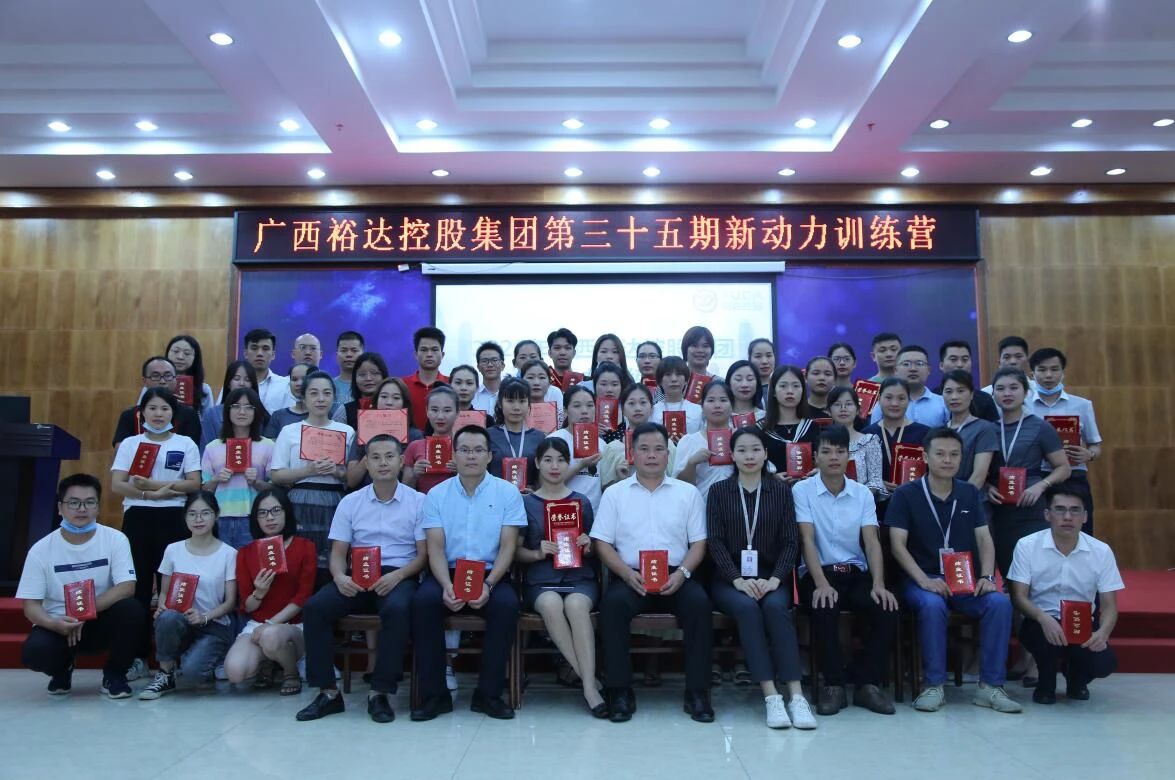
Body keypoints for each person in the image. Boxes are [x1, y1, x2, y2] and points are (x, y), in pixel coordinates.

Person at [886, 428, 1021, 713]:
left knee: (999, 603)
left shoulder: (969, 493)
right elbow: (898, 545)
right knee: (932, 605)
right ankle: (933, 686)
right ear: (925, 457)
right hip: (922, 578)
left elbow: (984, 538)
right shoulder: (906, 494)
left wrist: (987, 576)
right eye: (940, 454)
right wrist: (924, 581)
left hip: (964, 579)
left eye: (954, 454)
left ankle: (990, 687)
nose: (947, 460)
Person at [296, 436, 428, 722]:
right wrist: (339, 577)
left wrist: (399, 575)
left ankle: (380, 692)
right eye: (376, 457)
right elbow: (338, 552)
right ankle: (328, 692)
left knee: (398, 609)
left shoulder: (419, 502)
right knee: (315, 608)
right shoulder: (351, 502)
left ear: (401, 461)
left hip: (398, 575)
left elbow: (423, 556)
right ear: (366, 463)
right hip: (355, 575)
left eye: (389, 456)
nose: (383, 463)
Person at [592, 422, 714, 723]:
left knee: (699, 605)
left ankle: (697, 693)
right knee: (613, 606)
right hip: (631, 576)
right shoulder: (615, 494)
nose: (651, 455)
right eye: (644, 449)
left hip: (677, 575)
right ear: (632, 454)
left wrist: (682, 573)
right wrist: (625, 573)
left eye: (659, 449)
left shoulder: (687, 493)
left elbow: (699, 543)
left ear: (667, 455)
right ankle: (619, 691)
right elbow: (602, 543)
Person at [411, 425, 527, 721]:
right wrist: (446, 585)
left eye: (478, 450)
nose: (471, 456)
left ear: (489, 456)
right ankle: (435, 696)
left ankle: (488, 695)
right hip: (447, 572)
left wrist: (489, 584)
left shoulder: (508, 492)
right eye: (464, 450)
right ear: (454, 455)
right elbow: (435, 548)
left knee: (506, 605)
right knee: (423, 603)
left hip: (491, 573)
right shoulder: (436, 494)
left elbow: (508, 547)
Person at [706, 428, 818, 729]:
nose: (749, 456)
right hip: (729, 579)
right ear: (732, 455)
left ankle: (797, 696)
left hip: (771, 577)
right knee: (746, 608)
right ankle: (771, 697)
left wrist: (776, 579)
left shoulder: (780, 491)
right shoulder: (719, 492)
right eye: (742, 450)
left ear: (766, 453)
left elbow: (791, 542)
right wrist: (737, 579)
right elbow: (715, 542)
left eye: (756, 449)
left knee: (776, 608)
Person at [794, 424, 899, 716]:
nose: (833, 457)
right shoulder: (802, 490)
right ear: (815, 457)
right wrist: (821, 583)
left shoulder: (862, 493)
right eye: (826, 452)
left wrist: (879, 584)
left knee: (886, 606)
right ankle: (834, 685)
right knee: (824, 604)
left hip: (855, 572)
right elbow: (806, 539)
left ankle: (867, 684)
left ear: (848, 456)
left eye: (840, 451)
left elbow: (872, 542)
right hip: (818, 572)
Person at [17, 474, 143, 699]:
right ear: (60, 508)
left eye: (89, 502)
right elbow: (31, 606)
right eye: (74, 502)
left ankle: (114, 675)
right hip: (60, 624)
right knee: (35, 653)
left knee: (131, 609)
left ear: (98, 507)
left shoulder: (115, 539)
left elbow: (126, 587)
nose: (82, 509)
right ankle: (62, 669)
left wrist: (86, 612)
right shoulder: (40, 550)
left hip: (100, 619)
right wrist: (54, 624)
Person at [111, 387, 202, 675]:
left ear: (173, 413)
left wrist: (154, 487)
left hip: (174, 517)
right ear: (142, 413)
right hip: (138, 517)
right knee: (137, 589)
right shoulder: (131, 443)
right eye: (152, 408)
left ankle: (174, 656)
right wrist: (149, 496)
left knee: (175, 587)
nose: (158, 414)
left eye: (164, 408)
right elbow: (117, 484)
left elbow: (194, 483)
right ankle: (137, 656)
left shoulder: (185, 443)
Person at [1008, 486, 1122, 705]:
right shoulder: (1027, 546)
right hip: (1041, 620)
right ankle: (1046, 682)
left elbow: (1109, 606)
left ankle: (1076, 678)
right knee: (1045, 641)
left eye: (1075, 510)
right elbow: (1019, 597)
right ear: (1047, 514)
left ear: (1085, 516)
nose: (1067, 517)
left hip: (1082, 624)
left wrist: (1103, 633)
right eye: (1060, 510)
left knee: (1104, 663)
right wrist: (1042, 618)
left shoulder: (1101, 551)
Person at [515, 438, 604, 716]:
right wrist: (537, 553)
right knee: (551, 603)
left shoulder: (581, 501)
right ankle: (590, 685)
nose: (555, 466)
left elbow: (595, 550)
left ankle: (587, 683)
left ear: (568, 464)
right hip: (541, 580)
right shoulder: (526, 503)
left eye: (561, 460)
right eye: (548, 460)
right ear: (538, 463)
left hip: (579, 578)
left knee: (576, 605)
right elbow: (515, 552)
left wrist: (588, 545)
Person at [137, 492, 237, 699]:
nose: (198, 519)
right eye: (192, 514)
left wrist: (204, 617)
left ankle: (209, 659)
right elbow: (165, 592)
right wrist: (163, 607)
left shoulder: (229, 554)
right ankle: (165, 673)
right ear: (185, 517)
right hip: (181, 620)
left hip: (214, 625)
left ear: (216, 515)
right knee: (167, 617)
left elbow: (230, 602)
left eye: (205, 513)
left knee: (193, 674)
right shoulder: (173, 550)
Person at [224, 489, 316, 695]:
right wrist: (259, 592)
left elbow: (303, 597)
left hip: (294, 625)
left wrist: (271, 624)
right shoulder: (245, 553)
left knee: (271, 635)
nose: (270, 517)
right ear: (255, 518)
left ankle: (290, 672)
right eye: (263, 513)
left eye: (276, 510)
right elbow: (247, 606)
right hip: (258, 625)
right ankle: (268, 661)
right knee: (235, 672)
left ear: (286, 513)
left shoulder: (305, 547)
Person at [987, 368, 1071, 578]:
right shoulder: (987, 429)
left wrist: (1041, 486)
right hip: (998, 507)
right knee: (1007, 568)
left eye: (1014, 388)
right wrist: (987, 487)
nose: (1007, 393)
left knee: (1034, 569)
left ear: (1026, 392)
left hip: (1030, 505)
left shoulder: (1040, 427)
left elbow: (1064, 468)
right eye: (1000, 389)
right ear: (993, 394)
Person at [270, 370, 355, 574]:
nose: (321, 399)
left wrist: (337, 472)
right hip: (300, 499)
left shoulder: (346, 431)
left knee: (331, 558)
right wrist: (307, 470)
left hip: (335, 499)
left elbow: (352, 476)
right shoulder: (289, 431)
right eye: (314, 393)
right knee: (298, 560)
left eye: (326, 393)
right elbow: (276, 475)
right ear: (304, 397)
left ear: (334, 397)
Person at [1027, 347, 1103, 534]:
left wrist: (1090, 454)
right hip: (1037, 476)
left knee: (1080, 531)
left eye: (1054, 369)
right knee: (1038, 533)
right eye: (1042, 369)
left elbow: (1095, 445)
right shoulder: (1024, 406)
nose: (1048, 375)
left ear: (1063, 373)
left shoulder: (1082, 405)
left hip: (1074, 476)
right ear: (1032, 374)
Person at [201, 387, 275, 549]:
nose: (242, 412)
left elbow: (275, 489)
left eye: (249, 407)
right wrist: (216, 479)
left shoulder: (268, 446)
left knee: (250, 563)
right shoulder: (212, 447)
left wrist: (257, 482)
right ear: (227, 411)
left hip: (254, 517)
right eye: (236, 406)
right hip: (219, 517)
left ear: (256, 412)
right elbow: (204, 489)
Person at [344, 376, 423, 491]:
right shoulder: (363, 431)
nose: (389, 402)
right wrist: (372, 452)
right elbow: (351, 481)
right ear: (376, 401)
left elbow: (414, 480)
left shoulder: (415, 435)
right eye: (384, 397)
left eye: (396, 398)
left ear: (404, 403)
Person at [861, 378, 931, 496]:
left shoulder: (925, 433)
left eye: (901, 398)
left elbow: (932, 472)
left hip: (914, 499)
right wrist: (876, 484)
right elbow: (860, 475)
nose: (894, 403)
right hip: (875, 503)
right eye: (888, 398)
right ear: (879, 399)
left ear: (908, 400)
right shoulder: (866, 434)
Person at [113, 356, 202, 447]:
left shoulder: (189, 414)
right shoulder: (130, 415)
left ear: (175, 380)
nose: (162, 381)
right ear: (144, 381)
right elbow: (120, 450)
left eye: (168, 376)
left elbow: (192, 450)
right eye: (155, 376)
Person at [600, 382, 676, 487]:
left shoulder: (667, 445)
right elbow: (605, 489)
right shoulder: (612, 449)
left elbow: (676, 482)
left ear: (652, 408)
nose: (638, 408)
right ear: (623, 410)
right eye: (631, 403)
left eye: (643, 402)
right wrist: (620, 479)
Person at [672, 380, 736, 500]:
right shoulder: (688, 441)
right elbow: (679, 486)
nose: (717, 405)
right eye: (711, 400)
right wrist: (692, 463)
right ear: (702, 406)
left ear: (732, 405)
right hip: (701, 506)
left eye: (723, 400)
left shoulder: (743, 438)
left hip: (738, 506)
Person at [549, 384, 605, 512]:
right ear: (565, 411)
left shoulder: (602, 444)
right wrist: (581, 465)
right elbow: (549, 483)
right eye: (577, 406)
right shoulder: (554, 441)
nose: (584, 411)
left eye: (590, 405)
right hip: (563, 513)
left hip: (595, 514)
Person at [941, 370, 999, 491]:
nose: (954, 397)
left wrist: (957, 499)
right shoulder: (940, 430)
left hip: (971, 496)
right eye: (948, 391)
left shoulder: (984, 428)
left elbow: (979, 476)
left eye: (960, 391)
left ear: (972, 394)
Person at [762, 365, 820, 479]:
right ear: (773, 391)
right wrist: (772, 478)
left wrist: (818, 471)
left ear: (803, 390)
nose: (790, 391)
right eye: (783, 386)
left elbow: (822, 461)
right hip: (772, 488)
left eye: (796, 386)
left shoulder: (813, 427)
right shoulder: (762, 429)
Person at [870, 345, 948, 428]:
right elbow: (873, 432)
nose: (913, 369)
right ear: (895, 370)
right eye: (906, 364)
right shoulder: (883, 404)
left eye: (919, 364)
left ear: (929, 370)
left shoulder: (943, 403)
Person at [826, 386, 885, 495]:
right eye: (837, 404)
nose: (843, 408)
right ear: (829, 411)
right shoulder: (822, 442)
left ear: (858, 410)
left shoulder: (869, 441)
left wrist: (855, 498)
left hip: (862, 501)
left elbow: (875, 481)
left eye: (849, 404)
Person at [403, 385, 460, 493]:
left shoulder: (464, 447)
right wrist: (414, 474)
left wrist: (461, 472)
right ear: (427, 411)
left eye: (447, 410)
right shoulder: (414, 446)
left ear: (457, 413)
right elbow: (405, 490)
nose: (440, 416)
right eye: (434, 410)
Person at [488, 378, 543, 488]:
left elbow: (543, 477)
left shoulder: (539, 438)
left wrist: (535, 492)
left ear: (529, 404)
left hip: (527, 497)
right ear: (500, 403)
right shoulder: (488, 436)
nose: (516, 407)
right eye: (510, 401)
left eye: (522, 401)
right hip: (495, 496)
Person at [201, 360, 261, 448]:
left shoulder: (260, 413)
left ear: (253, 385)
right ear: (228, 383)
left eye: (247, 380)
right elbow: (205, 449)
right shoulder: (212, 414)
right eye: (236, 379)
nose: (242, 384)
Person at [938, 340, 998, 421]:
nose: (960, 365)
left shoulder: (985, 399)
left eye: (965, 359)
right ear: (941, 365)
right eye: (953, 359)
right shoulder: (933, 398)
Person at [238, 328, 294, 414]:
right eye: (254, 348)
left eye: (265, 348)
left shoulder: (285, 385)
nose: (259, 353)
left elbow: (289, 418)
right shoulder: (235, 383)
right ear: (245, 353)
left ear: (273, 355)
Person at [404, 326, 449, 431]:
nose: (429, 354)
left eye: (434, 350)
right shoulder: (402, 385)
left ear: (442, 355)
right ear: (416, 355)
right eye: (424, 350)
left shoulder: (451, 384)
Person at [332, 351, 389, 428]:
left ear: (384, 376)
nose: (368, 378)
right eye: (362, 374)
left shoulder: (393, 406)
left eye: (375, 373)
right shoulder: (345, 411)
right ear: (354, 379)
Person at [652, 356, 703, 436]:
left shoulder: (698, 410)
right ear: (660, 381)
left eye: (678, 374)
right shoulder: (651, 411)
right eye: (668, 374)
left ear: (686, 380)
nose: (674, 379)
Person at [164, 334, 214, 415]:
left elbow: (208, 419)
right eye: (176, 351)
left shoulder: (204, 389)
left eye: (187, 353)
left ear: (195, 358)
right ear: (168, 353)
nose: (180, 357)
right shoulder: (154, 384)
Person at [265, 361, 313, 439]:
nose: (299, 383)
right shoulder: (278, 416)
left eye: (304, 379)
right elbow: (269, 444)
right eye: (294, 379)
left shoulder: (324, 415)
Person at [592, 361, 631, 444]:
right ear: (595, 386)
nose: (609, 389)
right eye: (603, 384)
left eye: (614, 384)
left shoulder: (628, 411)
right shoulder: (586, 412)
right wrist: (590, 431)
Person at [521, 358, 564, 422]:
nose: (536, 383)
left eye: (542, 377)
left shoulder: (555, 393)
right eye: (530, 377)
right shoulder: (516, 404)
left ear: (549, 382)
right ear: (521, 381)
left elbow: (561, 422)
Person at [472, 341, 507, 414]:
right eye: (484, 361)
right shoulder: (472, 396)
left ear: (502, 365)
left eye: (494, 360)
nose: (490, 365)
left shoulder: (511, 394)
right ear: (478, 367)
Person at [333, 330, 365, 401]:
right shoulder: (329, 385)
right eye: (344, 350)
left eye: (354, 350)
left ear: (363, 354)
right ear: (337, 355)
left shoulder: (370, 385)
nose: (349, 355)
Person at [748, 338, 776, 407]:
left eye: (769, 355)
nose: (764, 361)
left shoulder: (782, 387)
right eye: (758, 356)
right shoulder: (744, 389)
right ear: (749, 359)